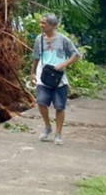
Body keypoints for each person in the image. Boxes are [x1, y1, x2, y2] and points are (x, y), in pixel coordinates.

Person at [31, 13, 82, 145]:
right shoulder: (39, 39)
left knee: (59, 106)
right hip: (43, 75)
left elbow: (76, 55)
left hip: (59, 78)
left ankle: (58, 134)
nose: (41, 25)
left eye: (44, 23)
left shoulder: (63, 39)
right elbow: (36, 57)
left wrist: (64, 64)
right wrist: (32, 73)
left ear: (53, 25)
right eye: (41, 23)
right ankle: (47, 126)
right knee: (41, 102)